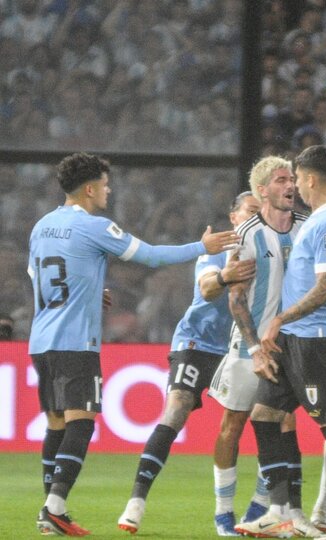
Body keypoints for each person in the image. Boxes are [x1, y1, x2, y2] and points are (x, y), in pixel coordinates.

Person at [30, 152, 237, 536]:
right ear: (90, 189)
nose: (109, 191)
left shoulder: (42, 226)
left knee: (56, 424)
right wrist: (201, 247)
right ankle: (55, 506)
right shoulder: (93, 226)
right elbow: (151, 256)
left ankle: (49, 511)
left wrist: (88, 293)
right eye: (106, 185)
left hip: (41, 339)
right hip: (76, 341)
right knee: (81, 423)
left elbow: (39, 277)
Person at [235, 145, 326, 540]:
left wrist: (279, 317)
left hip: (316, 339)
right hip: (295, 338)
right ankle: (278, 511)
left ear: (311, 179)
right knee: (264, 414)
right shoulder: (318, 219)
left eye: (296, 177)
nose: (294, 185)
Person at [116, 192, 259, 535]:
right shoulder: (220, 249)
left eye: (260, 212)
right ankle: (136, 501)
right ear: (234, 215)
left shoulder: (270, 250)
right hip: (198, 342)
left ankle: (249, 510)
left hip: (239, 347)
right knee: (177, 407)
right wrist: (226, 276)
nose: (255, 218)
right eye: (249, 211)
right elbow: (208, 288)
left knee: (262, 421)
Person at [208, 157, 312, 537]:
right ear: (263, 189)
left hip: (294, 345)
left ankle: (273, 508)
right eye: (282, 180)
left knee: (285, 424)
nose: (291, 186)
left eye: (292, 179)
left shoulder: (307, 228)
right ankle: (223, 512)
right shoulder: (248, 234)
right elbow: (236, 299)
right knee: (232, 424)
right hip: (250, 348)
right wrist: (255, 348)